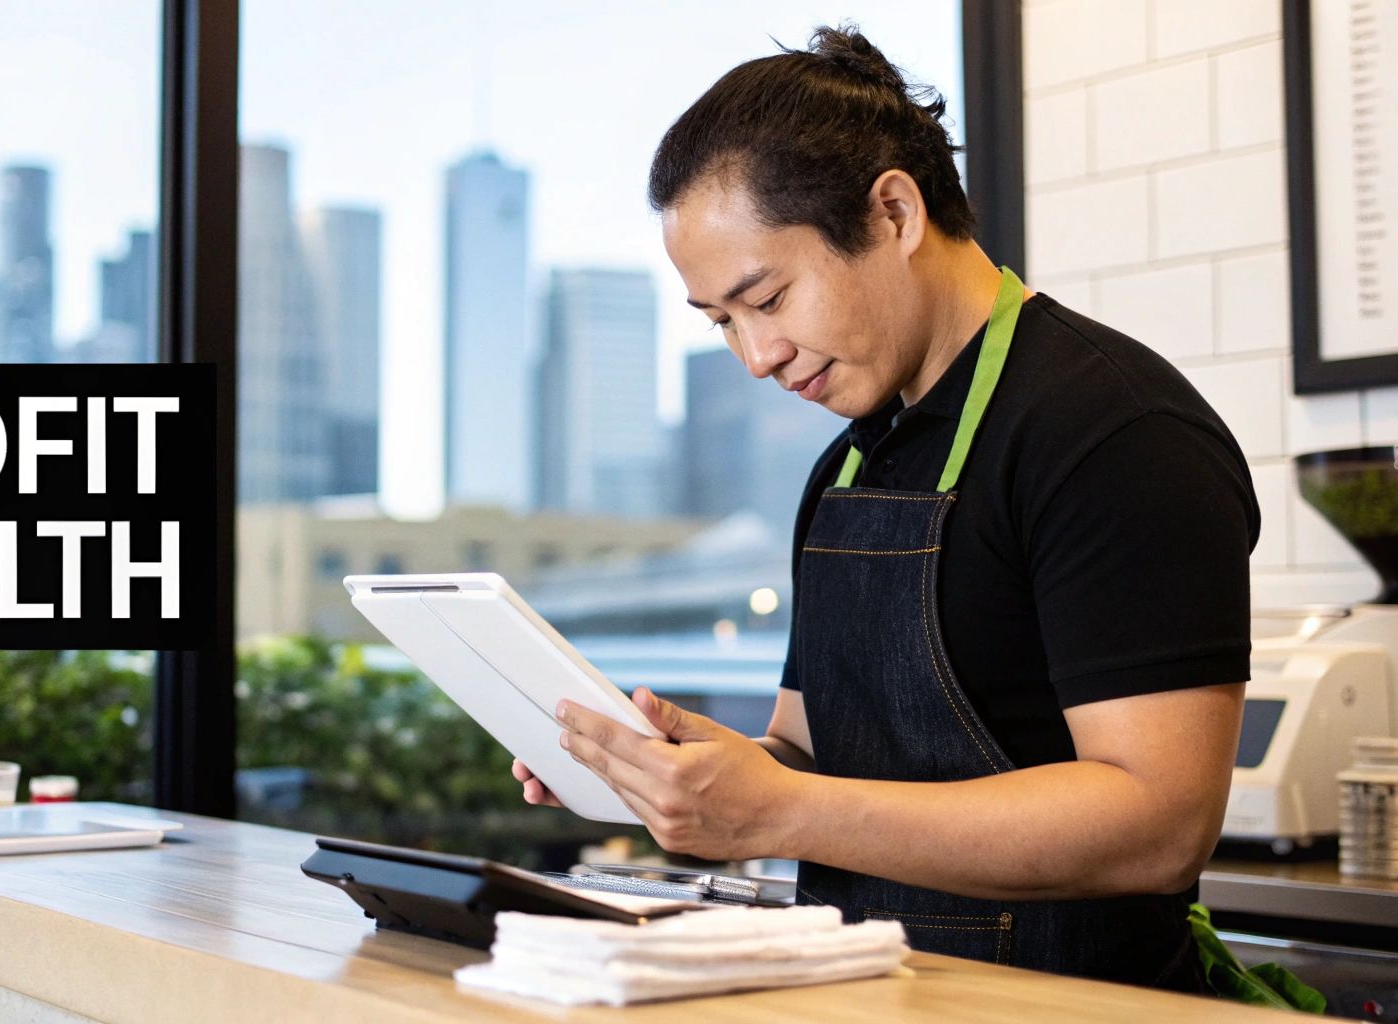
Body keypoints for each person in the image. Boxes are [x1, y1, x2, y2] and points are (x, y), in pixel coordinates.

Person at [512, 25, 1259, 993]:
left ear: (894, 211)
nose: (755, 356)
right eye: (722, 323)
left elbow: (1157, 822)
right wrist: (662, 773)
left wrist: (779, 810)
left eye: (767, 297)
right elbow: (805, 754)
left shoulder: (1114, 431)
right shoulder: (847, 471)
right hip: (871, 999)